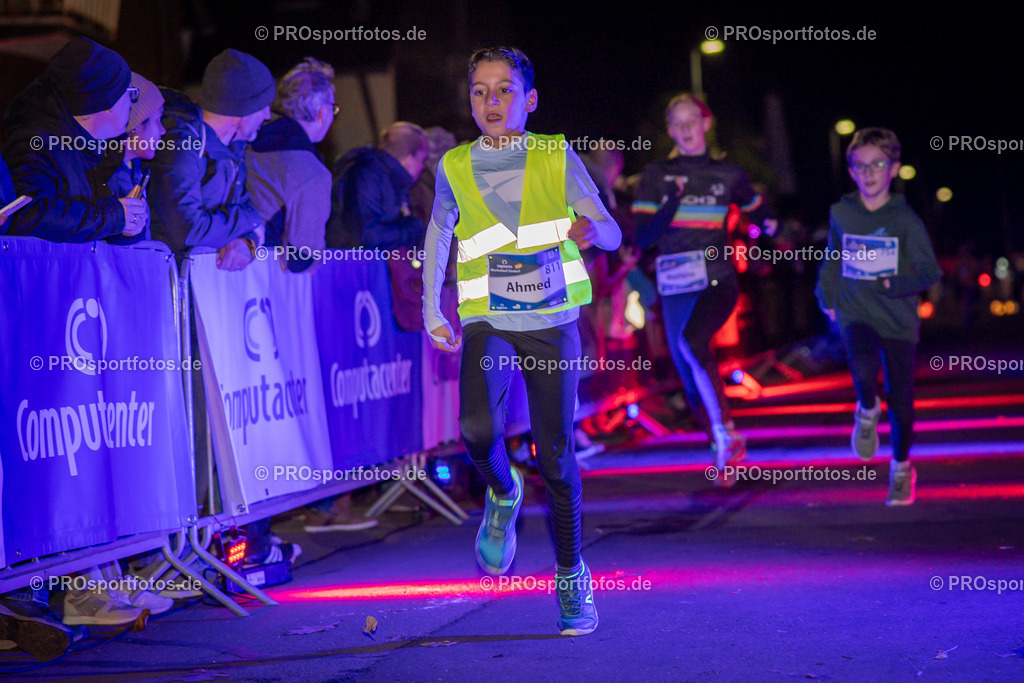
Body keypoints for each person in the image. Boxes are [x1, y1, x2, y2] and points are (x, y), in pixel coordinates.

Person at [422, 47, 620, 636]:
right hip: (488, 319)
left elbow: (607, 229)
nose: (491, 102)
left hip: (553, 322)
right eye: (480, 91)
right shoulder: (454, 164)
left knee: (556, 457)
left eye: (504, 89)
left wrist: (593, 231)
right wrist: (434, 306)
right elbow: (438, 232)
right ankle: (503, 495)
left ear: (530, 100)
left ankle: (571, 576)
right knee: (478, 434)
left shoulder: (555, 155)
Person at [632, 93, 773, 485]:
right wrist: (671, 202)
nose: (684, 130)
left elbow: (759, 211)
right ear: (669, 130)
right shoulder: (657, 175)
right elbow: (643, 238)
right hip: (676, 283)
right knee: (688, 367)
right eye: (676, 123)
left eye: (691, 120)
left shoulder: (728, 174)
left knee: (694, 344)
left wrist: (762, 238)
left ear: (706, 123)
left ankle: (727, 434)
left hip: (717, 278)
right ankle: (723, 446)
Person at [815, 127, 941, 505]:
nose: (869, 173)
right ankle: (866, 409)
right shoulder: (842, 213)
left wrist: (895, 283)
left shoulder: (905, 220)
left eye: (878, 165)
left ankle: (901, 469)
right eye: (860, 166)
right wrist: (826, 294)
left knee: (901, 401)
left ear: (894, 168)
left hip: (898, 319)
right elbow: (833, 258)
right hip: (856, 311)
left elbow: (930, 272)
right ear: (852, 171)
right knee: (864, 371)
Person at [1, 36, 146, 243]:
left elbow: (99, 229)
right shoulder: (35, 145)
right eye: (129, 93)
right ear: (104, 102)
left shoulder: (103, 151)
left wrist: (130, 224)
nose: (132, 103)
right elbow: (28, 216)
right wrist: (114, 216)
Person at [147, 48, 273, 269]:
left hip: (203, 287)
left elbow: (246, 221)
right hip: (165, 284)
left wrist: (247, 243)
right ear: (242, 108)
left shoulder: (234, 148)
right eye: (262, 107)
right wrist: (251, 218)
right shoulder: (181, 142)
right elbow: (188, 231)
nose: (268, 115)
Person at [246, 57, 335, 272]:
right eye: (335, 107)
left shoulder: (247, 138)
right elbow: (300, 258)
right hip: (261, 284)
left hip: (215, 268)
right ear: (323, 112)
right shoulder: (311, 172)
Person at [326, 121, 429, 250]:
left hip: (362, 264)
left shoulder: (391, 180)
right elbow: (368, 236)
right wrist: (413, 228)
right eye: (422, 159)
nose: (422, 167)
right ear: (408, 159)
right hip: (349, 265)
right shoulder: (367, 175)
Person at [105, 72, 166, 244]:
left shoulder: (135, 168)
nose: (163, 130)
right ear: (137, 125)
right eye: (157, 120)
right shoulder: (105, 173)